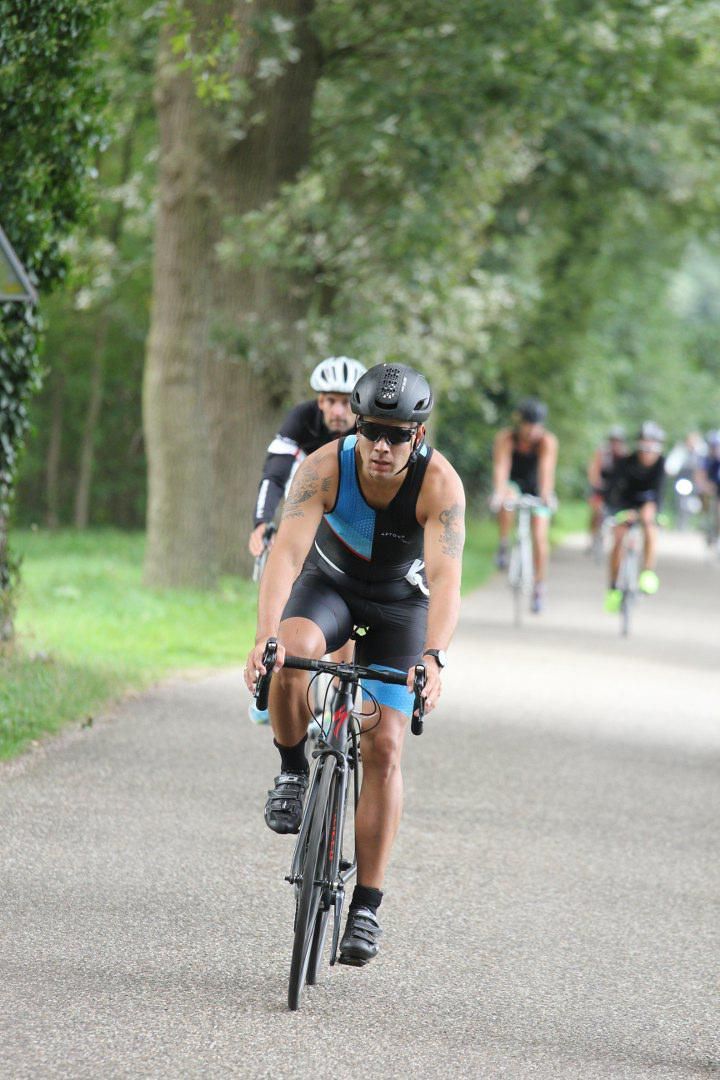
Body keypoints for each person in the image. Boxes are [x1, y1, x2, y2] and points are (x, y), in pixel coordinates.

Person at [243, 363, 465, 966]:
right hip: (330, 588)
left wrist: (433, 658)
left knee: (386, 745)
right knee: (292, 655)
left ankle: (366, 905)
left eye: (397, 434)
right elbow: (286, 556)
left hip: (400, 607)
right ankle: (292, 770)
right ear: (357, 428)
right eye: (372, 432)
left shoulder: (439, 484)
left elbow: (445, 578)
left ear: (418, 436)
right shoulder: (322, 467)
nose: (382, 447)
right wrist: (265, 637)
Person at [248, 355, 366, 724]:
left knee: (345, 594)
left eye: (346, 402)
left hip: (348, 524)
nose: (338, 410)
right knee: (279, 577)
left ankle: (341, 693)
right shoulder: (301, 419)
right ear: (319, 402)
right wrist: (262, 522)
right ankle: (269, 669)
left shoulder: (368, 430)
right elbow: (275, 473)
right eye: (330, 400)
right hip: (304, 515)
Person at [490, 397, 558, 613]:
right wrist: (499, 492)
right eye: (529, 424)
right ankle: (503, 544)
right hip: (514, 484)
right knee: (507, 497)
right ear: (521, 423)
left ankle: (539, 585)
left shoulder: (547, 442)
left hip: (537, 488)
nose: (532, 430)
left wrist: (546, 495)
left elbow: (546, 471)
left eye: (537, 425)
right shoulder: (506, 438)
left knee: (539, 534)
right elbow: (501, 467)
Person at [604, 421, 666, 612]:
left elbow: (660, 493)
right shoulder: (625, 462)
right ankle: (614, 586)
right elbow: (612, 490)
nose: (648, 451)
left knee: (649, 524)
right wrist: (614, 512)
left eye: (652, 446)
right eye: (645, 445)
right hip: (625, 504)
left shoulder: (661, 463)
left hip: (647, 504)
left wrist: (655, 513)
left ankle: (647, 572)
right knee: (619, 539)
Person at [587, 426, 627, 546]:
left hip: (616, 485)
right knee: (596, 509)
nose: (615, 444)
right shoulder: (602, 452)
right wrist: (595, 482)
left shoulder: (625, 454)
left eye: (618, 441)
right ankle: (593, 536)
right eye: (613, 440)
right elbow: (594, 469)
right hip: (602, 483)